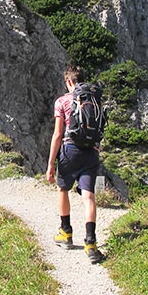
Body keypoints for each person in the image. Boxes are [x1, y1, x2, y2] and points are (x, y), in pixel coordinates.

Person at [45, 66, 105, 263]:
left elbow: (57, 134)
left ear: (69, 82)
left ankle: (66, 233)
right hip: (92, 152)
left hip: (70, 151)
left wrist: (51, 164)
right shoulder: (95, 100)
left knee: (62, 189)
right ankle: (91, 243)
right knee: (89, 197)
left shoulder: (62, 101)